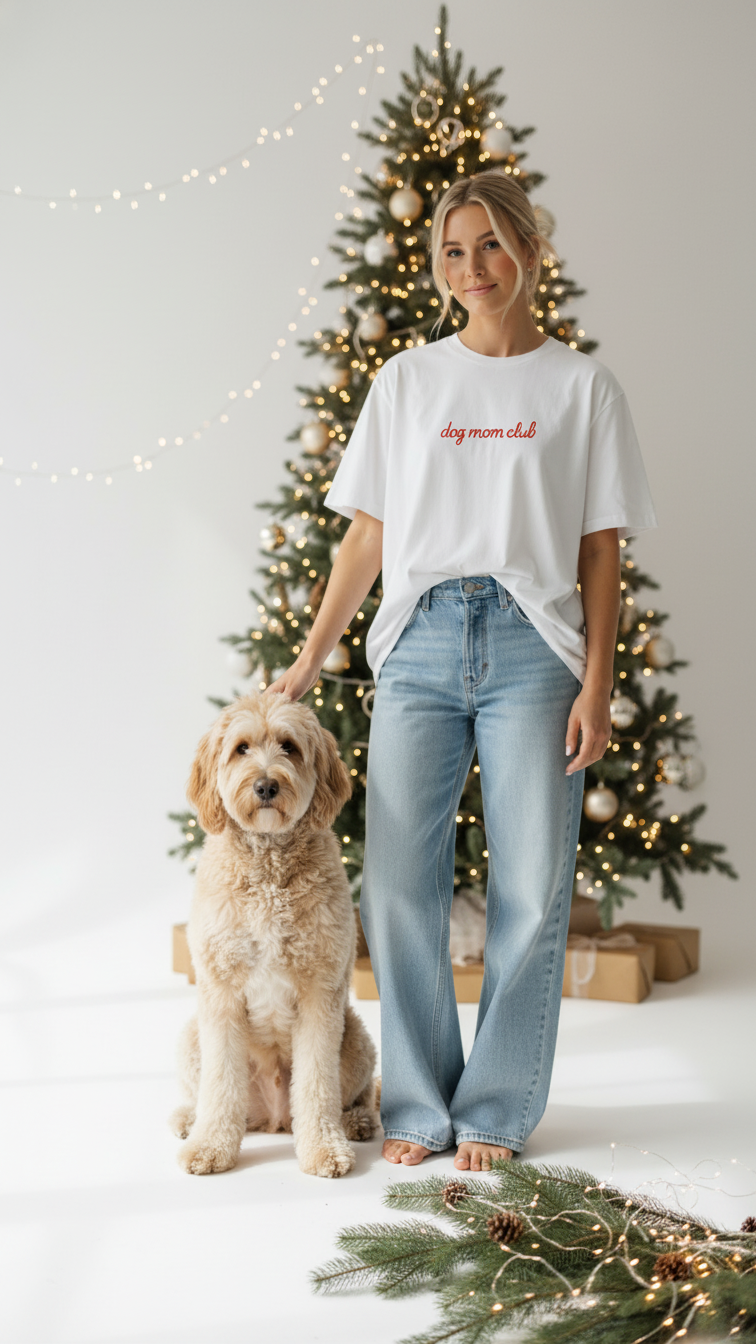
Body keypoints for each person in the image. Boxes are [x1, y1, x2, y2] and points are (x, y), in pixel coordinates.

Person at [265, 170, 658, 1172]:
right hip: (421, 643)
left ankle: (493, 1108)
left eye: (489, 244)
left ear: (528, 249)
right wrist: (314, 653)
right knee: (401, 884)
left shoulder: (581, 388)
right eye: (452, 248)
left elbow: (602, 550)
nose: (471, 266)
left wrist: (600, 685)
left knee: (531, 882)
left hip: (536, 646)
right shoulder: (408, 381)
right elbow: (367, 537)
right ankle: (417, 1104)